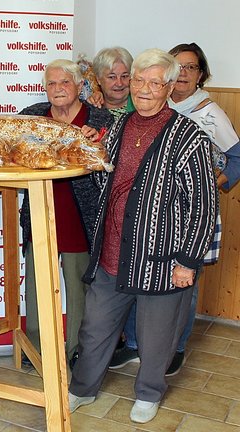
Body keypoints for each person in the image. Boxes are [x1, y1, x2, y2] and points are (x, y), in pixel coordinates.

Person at [69, 49, 217, 424]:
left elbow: (203, 204)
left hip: (162, 259)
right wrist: (92, 151)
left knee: (157, 337)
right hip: (112, 254)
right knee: (95, 328)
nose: (145, 89)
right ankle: (82, 389)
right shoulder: (120, 126)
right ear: (131, 84)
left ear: (168, 87)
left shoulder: (189, 137)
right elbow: (109, 182)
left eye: (155, 82)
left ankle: (149, 392)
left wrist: (188, 261)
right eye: (139, 81)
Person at [110, 43, 240, 375]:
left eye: (191, 67)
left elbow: (237, 157)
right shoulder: (150, 108)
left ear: (201, 74)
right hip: (153, 216)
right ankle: (136, 345)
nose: (183, 73)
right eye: (178, 66)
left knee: (184, 281)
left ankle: (176, 347)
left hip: (195, 214)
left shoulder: (210, 113)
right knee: (143, 278)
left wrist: (212, 184)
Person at [18, 59, 113, 368]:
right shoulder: (32, 116)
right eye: (51, 84)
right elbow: (12, 147)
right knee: (36, 285)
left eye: (64, 83)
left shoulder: (100, 119)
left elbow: (113, 161)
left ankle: (76, 350)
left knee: (78, 287)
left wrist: (99, 146)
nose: (57, 89)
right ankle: (36, 348)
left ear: (78, 86)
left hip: (80, 215)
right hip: (39, 212)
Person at [92, 46, 135, 118]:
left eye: (124, 76)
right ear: (98, 79)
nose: (119, 83)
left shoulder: (141, 108)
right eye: (112, 77)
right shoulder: (90, 109)